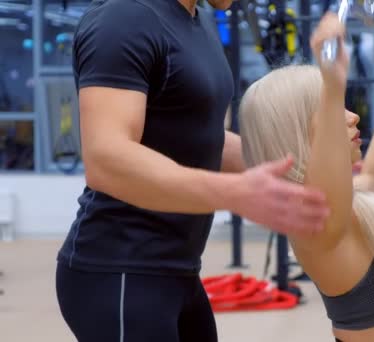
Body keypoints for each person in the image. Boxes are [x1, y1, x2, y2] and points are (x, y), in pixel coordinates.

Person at [54, 0, 331, 341]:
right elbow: (106, 158)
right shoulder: (123, 18)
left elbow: (206, 138)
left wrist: (302, 174)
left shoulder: (197, 20)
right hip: (121, 268)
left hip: (178, 268)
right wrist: (236, 193)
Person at [239, 14, 374, 342]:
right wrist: (331, 87)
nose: (353, 117)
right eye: (331, 111)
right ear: (295, 137)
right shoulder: (312, 221)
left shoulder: (349, 205)